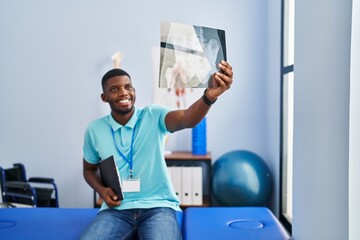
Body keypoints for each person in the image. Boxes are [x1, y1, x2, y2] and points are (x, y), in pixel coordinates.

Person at [81, 60, 233, 240]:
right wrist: (102, 190)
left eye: (128, 87)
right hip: (116, 211)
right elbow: (89, 170)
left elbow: (187, 118)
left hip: (158, 207)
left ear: (134, 91)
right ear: (104, 97)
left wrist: (209, 97)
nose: (123, 92)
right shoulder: (95, 129)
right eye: (114, 89)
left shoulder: (153, 115)